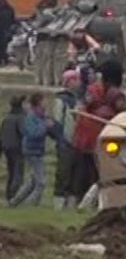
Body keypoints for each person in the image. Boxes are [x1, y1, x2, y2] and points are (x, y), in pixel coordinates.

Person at [73, 59, 126, 202]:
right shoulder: (113, 94)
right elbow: (121, 108)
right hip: (98, 138)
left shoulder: (92, 92)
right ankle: (91, 200)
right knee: (99, 173)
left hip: (85, 138)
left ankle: (83, 200)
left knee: (87, 172)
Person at [7, 94, 48, 207]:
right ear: (38, 102)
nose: (46, 102)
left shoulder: (42, 116)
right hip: (32, 151)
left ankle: (14, 202)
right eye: (44, 100)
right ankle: (30, 205)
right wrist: (45, 126)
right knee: (41, 182)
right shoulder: (30, 117)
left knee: (32, 181)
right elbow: (32, 133)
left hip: (38, 150)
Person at [51, 72, 82, 210]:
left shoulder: (78, 99)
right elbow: (57, 121)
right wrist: (61, 139)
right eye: (75, 79)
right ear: (69, 81)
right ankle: (59, 201)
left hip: (77, 141)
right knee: (63, 172)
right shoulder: (61, 99)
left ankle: (71, 202)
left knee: (75, 173)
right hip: (65, 141)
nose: (78, 82)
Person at [1, 95, 22, 202]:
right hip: (17, 148)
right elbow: (22, 133)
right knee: (18, 173)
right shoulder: (20, 118)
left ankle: (9, 194)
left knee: (11, 172)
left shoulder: (7, 118)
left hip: (6, 148)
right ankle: (14, 195)